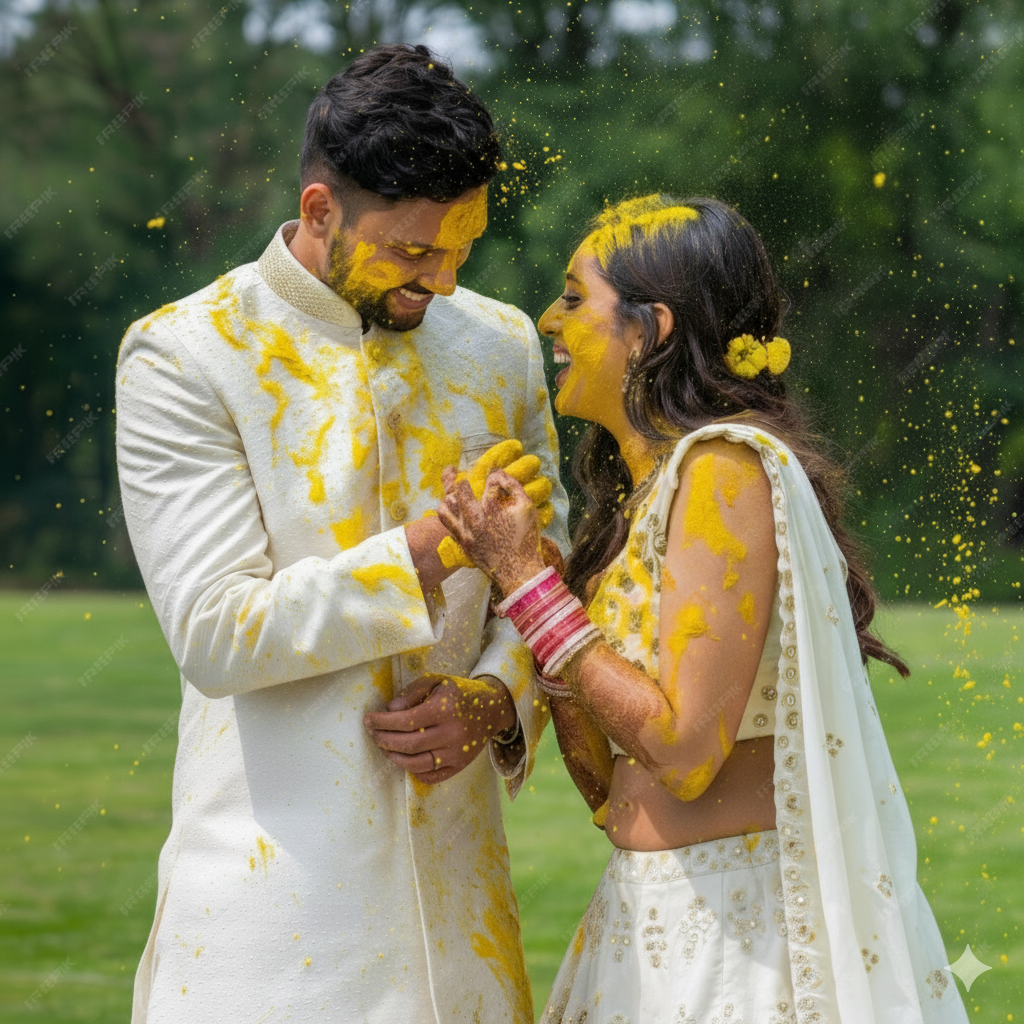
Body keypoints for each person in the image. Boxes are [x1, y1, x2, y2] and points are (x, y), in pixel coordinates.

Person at [115, 44, 568, 1023]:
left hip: (463, 921)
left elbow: (550, 567)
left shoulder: (499, 344)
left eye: (464, 247)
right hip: (269, 917)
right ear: (321, 211)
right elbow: (215, 630)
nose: (445, 281)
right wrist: (429, 551)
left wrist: (496, 697)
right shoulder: (187, 355)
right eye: (413, 252)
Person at [438, 195, 969, 1024]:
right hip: (644, 916)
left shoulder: (724, 470)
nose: (549, 320)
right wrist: (527, 581)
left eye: (575, 299)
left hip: (737, 937)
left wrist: (532, 589)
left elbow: (684, 752)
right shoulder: (645, 495)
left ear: (650, 329)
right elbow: (614, 795)